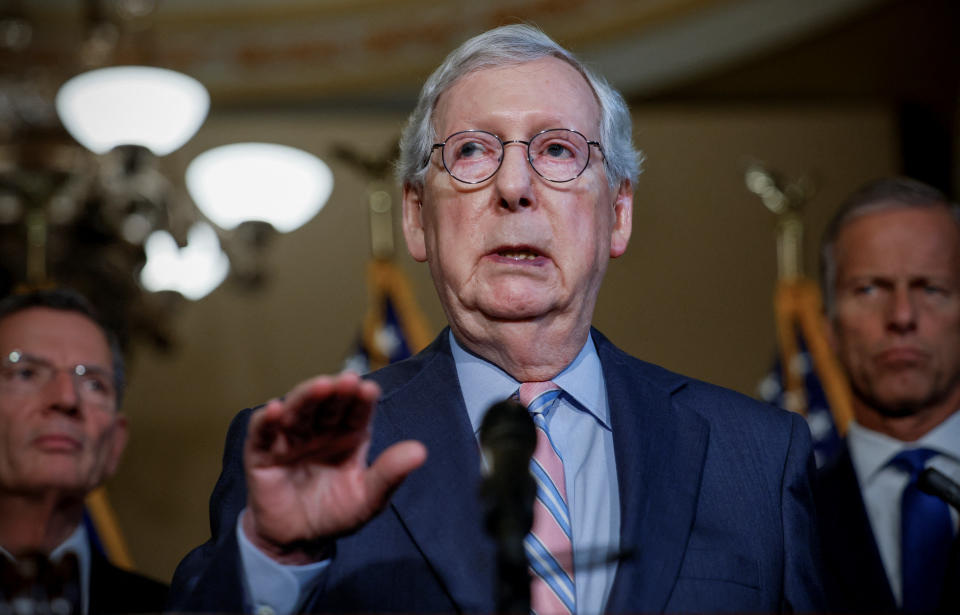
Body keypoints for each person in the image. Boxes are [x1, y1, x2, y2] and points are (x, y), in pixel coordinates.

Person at [170, 24, 824, 614]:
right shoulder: (310, 455)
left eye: (559, 150)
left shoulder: (758, 458)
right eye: (474, 151)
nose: (514, 185)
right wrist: (277, 556)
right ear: (416, 216)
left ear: (617, 213)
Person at [815, 177, 960, 614]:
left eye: (931, 288)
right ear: (828, 328)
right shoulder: (786, 518)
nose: (901, 317)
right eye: (869, 289)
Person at [0, 288, 168, 614]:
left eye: (94, 384)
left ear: (115, 444)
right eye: (25, 373)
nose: (67, 399)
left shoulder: (173, 608)